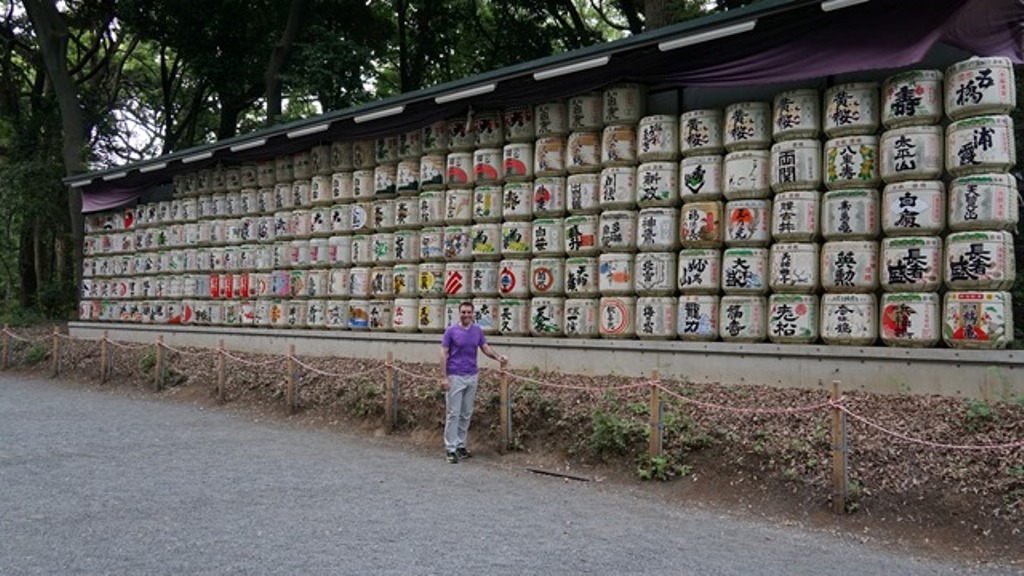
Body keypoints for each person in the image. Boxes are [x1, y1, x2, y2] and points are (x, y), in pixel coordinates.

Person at [440, 301, 507, 463]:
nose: (466, 315)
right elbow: (443, 353)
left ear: (473, 314)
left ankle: (461, 445)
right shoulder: (451, 331)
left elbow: (485, 347)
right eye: (463, 312)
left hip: (472, 375)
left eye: (469, 312)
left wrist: (498, 357)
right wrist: (444, 377)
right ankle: (450, 448)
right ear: (459, 313)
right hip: (455, 375)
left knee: (466, 413)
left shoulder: (477, 330)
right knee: (453, 413)